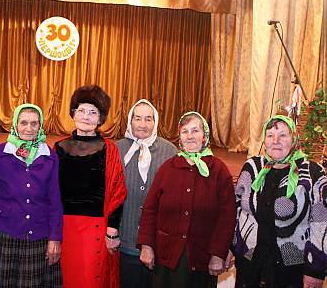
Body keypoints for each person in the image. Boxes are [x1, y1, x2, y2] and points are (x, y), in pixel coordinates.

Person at [137, 111, 236, 288]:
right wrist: (146, 245)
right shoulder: (167, 168)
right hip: (166, 256)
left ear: (204, 135)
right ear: (180, 137)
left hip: (202, 258)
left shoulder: (219, 171)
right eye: (185, 131)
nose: (190, 136)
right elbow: (150, 209)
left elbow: (227, 218)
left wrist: (218, 254)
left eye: (195, 130)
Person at [232, 115, 327, 288]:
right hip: (250, 261)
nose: (275, 141)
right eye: (270, 135)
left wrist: (316, 270)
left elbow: (322, 224)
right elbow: (236, 210)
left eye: (283, 135)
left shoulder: (312, 172)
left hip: (291, 268)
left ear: (294, 139)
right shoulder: (252, 167)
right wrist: (232, 248)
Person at [0, 104, 63, 287]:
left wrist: (55, 237)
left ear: (40, 126)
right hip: (5, 233)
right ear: (15, 124)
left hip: (38, 234)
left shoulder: (49, 156)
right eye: (23, 123)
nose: (29, 128)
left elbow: (54, 200)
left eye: (34, 123)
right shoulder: (0, 154)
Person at [55, 85, 127, 288]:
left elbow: (117, 191)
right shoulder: (58, 147)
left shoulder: (109, 149)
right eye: (82, 110)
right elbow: (50, 192)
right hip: (64, 229)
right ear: (73, 113)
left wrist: (112, 229)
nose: (86, 116)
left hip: (95, 229)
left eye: (93, 112)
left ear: (100, 118)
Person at [115, 99, 177, 288]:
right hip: (124, 237)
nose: (142, 124)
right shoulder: (116, 149)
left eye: (148, 119)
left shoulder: (169, 151)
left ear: (156, 122)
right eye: (137, 118)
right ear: (129, 121)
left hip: (157, 241)